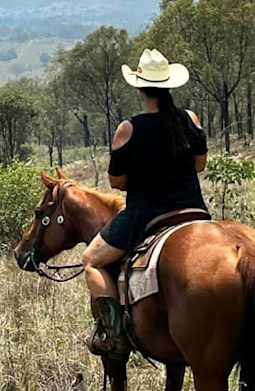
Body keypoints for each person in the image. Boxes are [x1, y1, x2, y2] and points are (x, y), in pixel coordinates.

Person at [82, 48, 208, 358]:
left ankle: (113, 335)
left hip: (145, 215)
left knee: (91, 261)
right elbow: (200, 165)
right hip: (195, 211)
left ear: (140, 89)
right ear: (168, 87)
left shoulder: (128, 129)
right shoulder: (189, 119)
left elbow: (117, 182)